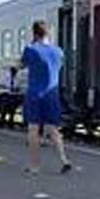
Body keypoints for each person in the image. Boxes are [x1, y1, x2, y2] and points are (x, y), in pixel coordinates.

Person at [21, 20, 71, 174]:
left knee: (33, 129)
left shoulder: (30, 49)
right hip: (52, 94)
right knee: (52, 128)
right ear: (48, 33)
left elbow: (22, 65)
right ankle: (64, 159)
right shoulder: (58, 51)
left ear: (34, 33)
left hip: (35, 94)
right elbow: (59, 66)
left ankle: (34, 165)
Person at [0, 65, 21, 129]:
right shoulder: (6, 77)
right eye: (13, 72)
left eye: (15, 72)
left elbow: (17, 87)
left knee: (12, 110)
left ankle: (10, 123)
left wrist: (16, 89)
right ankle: (2, 123)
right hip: (6, 94)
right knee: (4, 109)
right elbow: (1, 85)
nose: (14, 73)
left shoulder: (17, 79)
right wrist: (7, 87)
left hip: (13, 95)